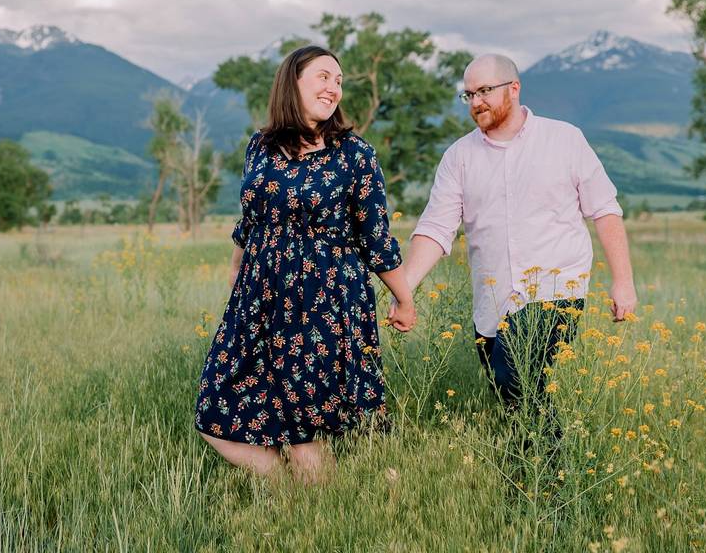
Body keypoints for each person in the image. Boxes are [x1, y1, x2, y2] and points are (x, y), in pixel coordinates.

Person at [195, 45, 416, 483]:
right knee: (214, 406)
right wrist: (236, 279)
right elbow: (249, 222)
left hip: (325, 301)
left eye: (339, 81)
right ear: (292, 81)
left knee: (301, 427)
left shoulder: (354, 153)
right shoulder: (260, 146)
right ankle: (289, 489)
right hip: (259, 300)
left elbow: (376, 237)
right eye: (323, 76)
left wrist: (403, 298)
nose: (334, 87)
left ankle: (317, 511)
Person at [390, 54, 636, 403]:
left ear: (514, 88)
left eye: (485, 91)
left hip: (554, 292)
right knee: (513, 397)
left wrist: (623, 282)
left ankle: (549, 457)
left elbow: (605, 209)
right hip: (492, 302)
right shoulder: (459, 156)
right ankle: (543, 458)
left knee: (515, 376)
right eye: (469, 94)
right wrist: (406, 289)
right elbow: (436, 228)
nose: (476, 102)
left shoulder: (565, 139)